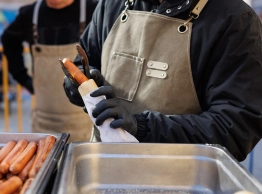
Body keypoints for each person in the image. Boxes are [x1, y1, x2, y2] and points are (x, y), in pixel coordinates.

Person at [63, 0, 262, 161]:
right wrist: (80, 84)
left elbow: (235, 129)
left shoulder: (234, 20)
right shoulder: (111, 5)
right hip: (102, 169)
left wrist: (145, 128)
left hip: (181, 186)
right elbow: (82, 63)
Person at [1, 0, 99, 142]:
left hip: (87, 122)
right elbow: (9, 40)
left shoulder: (94, 10)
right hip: (44, 124)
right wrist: (22, 78)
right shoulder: (29, 14)